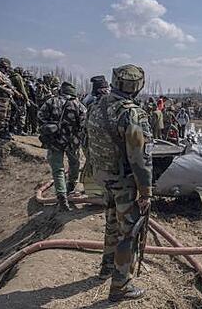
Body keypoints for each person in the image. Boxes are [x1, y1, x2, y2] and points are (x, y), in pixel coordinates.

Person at [86, 64, 152, 302]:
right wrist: (146, 192)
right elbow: (139, 158)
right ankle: (120, 285)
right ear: (136, 86)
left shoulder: (96, 105)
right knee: (129, 231)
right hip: (123, 180)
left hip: (102, 175)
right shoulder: (131, 114)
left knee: (112, 220)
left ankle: (107, 266)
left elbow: (89, 141)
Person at [38, 81, 86, 210]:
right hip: (73, 141)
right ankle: (71, 185)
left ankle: (62, 196)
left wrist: (49, 126)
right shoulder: (80, 106)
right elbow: (84, 125)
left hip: (55, 141)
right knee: (75, 164)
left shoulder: (51, 102)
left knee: (58, 169)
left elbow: (40, 116)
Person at [0, 57, 21, 140]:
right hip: (0, 98)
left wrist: (14, 92)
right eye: (6, 67)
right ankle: (1, 132)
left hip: (7, 98)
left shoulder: (4, 76)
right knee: (2, 116)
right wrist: (6, 89)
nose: (7, 69)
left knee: (7, 116)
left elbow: (10, 86)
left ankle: (5, 132)